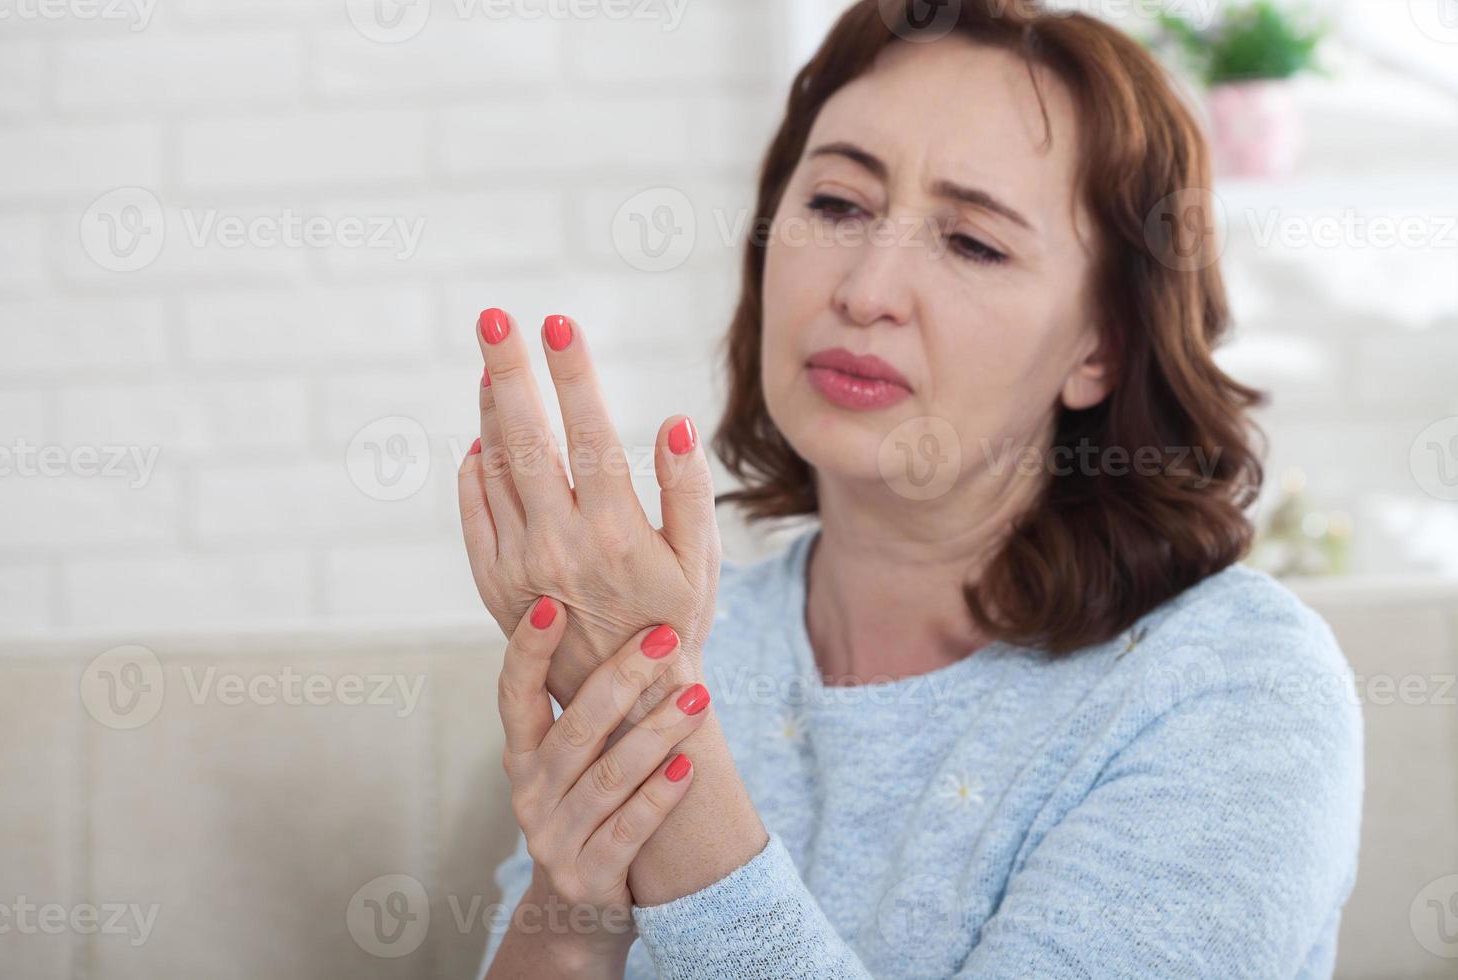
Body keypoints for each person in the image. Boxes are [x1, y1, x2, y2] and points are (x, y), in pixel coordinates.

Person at [462, 1, 1364, 976]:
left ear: (1101, 344)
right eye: (838, 205)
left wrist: (660, 737)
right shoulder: (685, 640)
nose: (866, 288)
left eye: (973, 242)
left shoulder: (1227, 683)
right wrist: (576, 899)